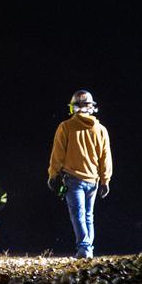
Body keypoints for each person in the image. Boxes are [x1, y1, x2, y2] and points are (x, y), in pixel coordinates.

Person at [48, 90, 113, 258]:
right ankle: (88, 248)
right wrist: (105, 180)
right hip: (93, 180)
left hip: (73, 179)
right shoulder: (101, 130)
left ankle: (84, 247)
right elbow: (105, 157)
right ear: (91, 107)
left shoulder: (66, 127)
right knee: (88, 215)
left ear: (73, 108)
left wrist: (53, 175)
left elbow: (57, 154)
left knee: (78, 214)